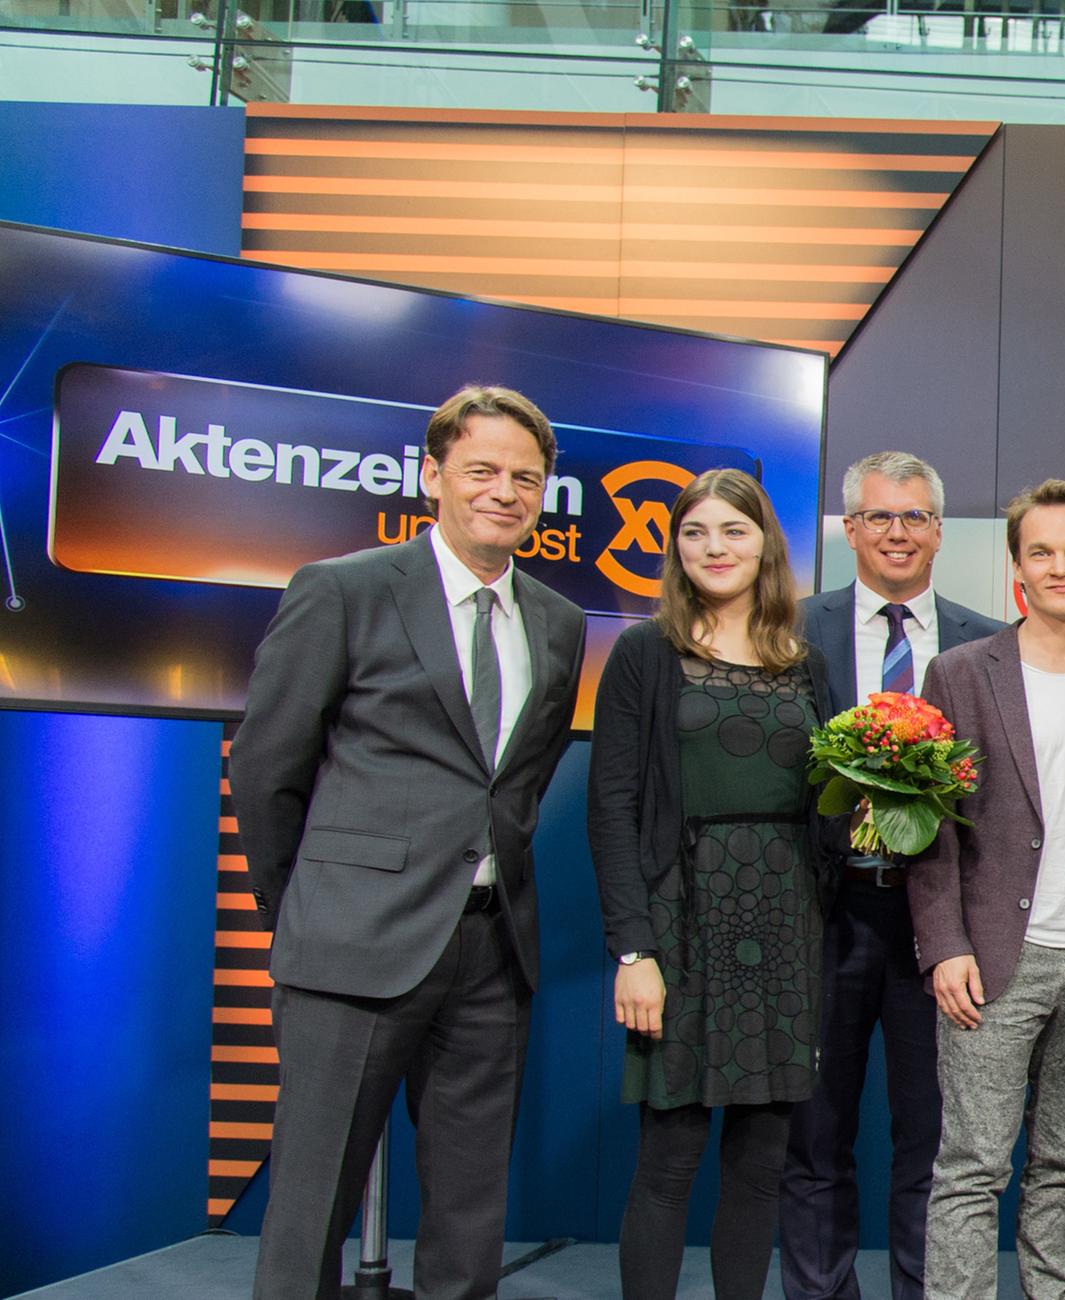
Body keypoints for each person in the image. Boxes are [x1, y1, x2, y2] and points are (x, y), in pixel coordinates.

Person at [233, 384, 585, 1300]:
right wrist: (303, 908)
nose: (505, 492)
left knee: (470, 1211)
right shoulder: (344, 589)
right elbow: (267, 768)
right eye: (482, 470)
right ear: (432, 475)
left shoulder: (558, 620)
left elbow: (521, 778)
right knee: (311, 1202)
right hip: (350, 940)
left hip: (493, 949)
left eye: (526, 478)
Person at [588, 467, 839, 1300]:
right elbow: (612, 809)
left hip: (786, 927)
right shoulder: (645, 654)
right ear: (676, 550)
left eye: (733, 530)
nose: (714, 547)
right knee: (669, 1158)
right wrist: (634, 951)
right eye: (694, 532)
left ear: (765, 544)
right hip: (680, 924)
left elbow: (827, 801)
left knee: (762, 1162)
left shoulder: (806, 663)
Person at [911, 479, 1065, 1300]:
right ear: (1016, 566)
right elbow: (932, 822)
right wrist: (943, 945)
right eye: (1042, 552)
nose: (1061, 567)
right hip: (990, 960)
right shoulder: (960, 672)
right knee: (972, 1166)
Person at [781, 451, 1004, 1300]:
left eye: (915, 517)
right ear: (849, 529)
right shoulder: (791, 631)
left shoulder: (987, 641)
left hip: (937, 927)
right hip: (824, 912)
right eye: (879, 516)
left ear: (940, 531)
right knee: (814, 1135)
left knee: (936, 1141)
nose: (897, 533)